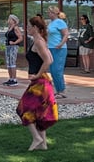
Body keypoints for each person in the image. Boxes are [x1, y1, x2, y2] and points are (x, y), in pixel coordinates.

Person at [16, 15, 58, 151]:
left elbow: (49, 60)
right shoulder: (40, 41)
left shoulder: (39, 41)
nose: (26, 29)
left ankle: (37, 138)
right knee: (39, 112)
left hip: (40, 82)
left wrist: (37, 75)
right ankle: (43, 144)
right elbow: (49, 57)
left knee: (23, 108)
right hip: (41, 81)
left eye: (28, 26)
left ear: (35, 28)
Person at [46, 6, 69, 98]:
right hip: (51, 47)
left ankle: (62, 90)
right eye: (48, 12)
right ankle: (58, 89)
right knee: (52, 70)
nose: (49, 14)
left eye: (50, 12)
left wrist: (61, 44)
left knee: (57, 69)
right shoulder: (51, 23)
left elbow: (66, 34)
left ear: (55, 13)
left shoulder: (60, 22)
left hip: (59, 48)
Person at [3, 14, 24, 86]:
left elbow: (21, 38)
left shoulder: (16, 28)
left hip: (13, 47)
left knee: (12, 62)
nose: (8, 20)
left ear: (14, 21)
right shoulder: (9, 28)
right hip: (8, 46)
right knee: (8, 62)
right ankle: (10, 78)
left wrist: (14, 42)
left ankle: (14, 79)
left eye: (10, 19)